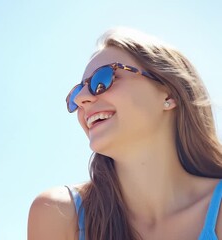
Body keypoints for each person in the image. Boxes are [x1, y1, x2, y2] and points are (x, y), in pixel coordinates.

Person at [28, 27, 222, 240]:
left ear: (169, 93)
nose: (81, 99)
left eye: (102, 80)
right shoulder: (59, 215)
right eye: (77, 91)